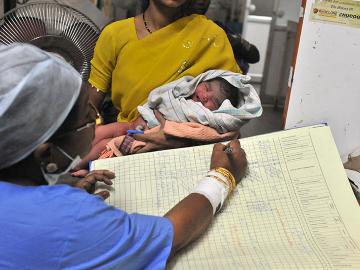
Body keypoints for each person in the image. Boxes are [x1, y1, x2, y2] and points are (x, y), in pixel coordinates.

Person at [0, 43, 248, 269]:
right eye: (87, 117)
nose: (94, 118)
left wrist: (62, 198)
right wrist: (222, 176)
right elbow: (171, 235)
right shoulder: (69, 219)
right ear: (47, 155)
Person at [87, 0, 243, 152]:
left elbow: (234, 118)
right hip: (128, 146)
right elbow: (90, 108)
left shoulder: (211, 37)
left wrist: (181, 139)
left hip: (192, 157)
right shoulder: (114, 35)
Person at [73, 69, 262, 175]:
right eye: (205, 87)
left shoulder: (207, 118)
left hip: (146, 139)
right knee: (100, 132)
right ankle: (72, 152)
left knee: (105, 148)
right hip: (131, 124)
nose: (204, 96)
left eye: (214, 101)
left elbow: (202, 134)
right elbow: (166, 94)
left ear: (221, 111)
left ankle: (82, 166)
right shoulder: (184, 92)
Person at [189, 0, 260, 74]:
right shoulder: (179, 29)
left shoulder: (218, 29)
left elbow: (255, 57)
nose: (201, 2)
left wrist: (239, 42)